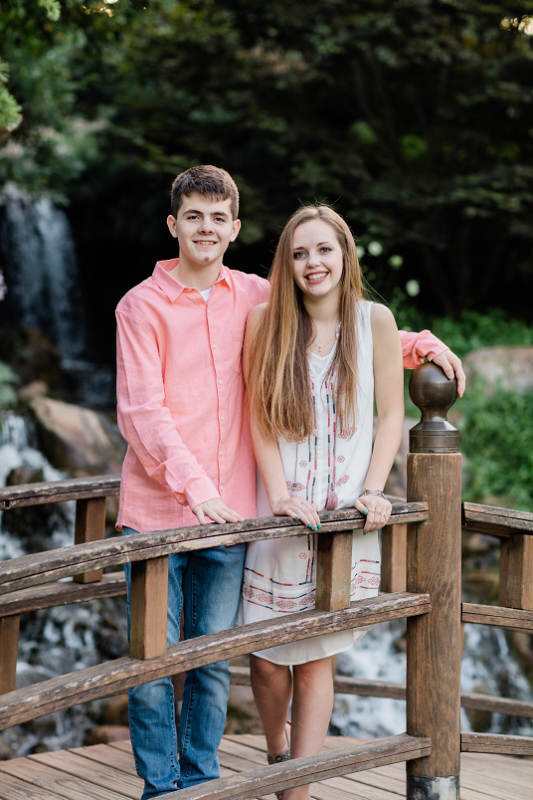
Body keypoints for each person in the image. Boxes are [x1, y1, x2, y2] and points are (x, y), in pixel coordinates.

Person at [115, 165, 465, 800]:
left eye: (218, 218)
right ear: (172, 224)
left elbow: (336, 318)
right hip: (163, 513)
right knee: (153, 664)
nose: (205, 228)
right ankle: (162, 790)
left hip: (232, 517)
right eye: (193, 217)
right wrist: (199, 489)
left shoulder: (253, 295)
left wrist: (418, 344)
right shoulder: (139, 307)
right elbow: (143, 414)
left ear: (235, 228)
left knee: (213, 663)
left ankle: (202, 782)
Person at [241, 204, 402, 800]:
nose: (313, 263)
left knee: (315, 660)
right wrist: (279, 495)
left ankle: (296, 789)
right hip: (281, 517)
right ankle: (278, 752)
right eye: (300, 253)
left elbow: (392, 416)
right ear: (287, 264)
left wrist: (374, 489)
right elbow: (258, 419)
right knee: (264, 659)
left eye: (324, 249)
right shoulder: (266, 322)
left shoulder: (374, 322)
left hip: (343, 521)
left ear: (345, 254)